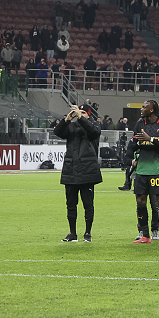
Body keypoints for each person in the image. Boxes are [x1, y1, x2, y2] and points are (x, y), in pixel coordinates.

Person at [55, 104, 102, 242]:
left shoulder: (94, 125)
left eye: (83, 112)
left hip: (87, 170)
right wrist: (66, 120)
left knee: (88, 204)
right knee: (70, 204)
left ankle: (88, 233)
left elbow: (94, 132)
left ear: (88, 114)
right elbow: (58, 132)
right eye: (77, 112)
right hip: (70, 170)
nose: (78, 114)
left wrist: (81, 118)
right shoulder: (71, 126)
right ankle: (72, 233)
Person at [130, 100, 159, 244]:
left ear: (152, 110)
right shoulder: (140, 124)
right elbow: (133, 145)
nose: (141, 109)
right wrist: (137, 145)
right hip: (142, 169)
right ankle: (145, 235)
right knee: (140, 200)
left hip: (157, 169)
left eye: (144, 107)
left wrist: (151, 139)